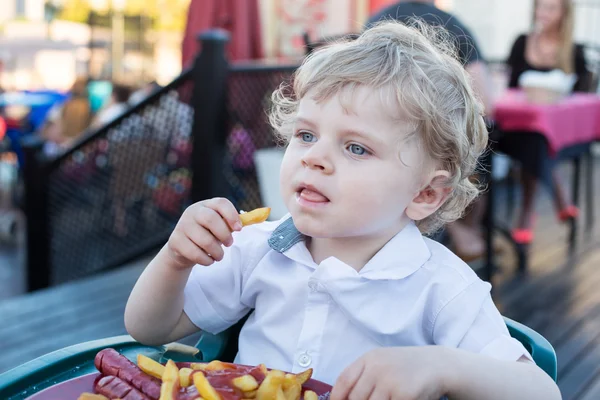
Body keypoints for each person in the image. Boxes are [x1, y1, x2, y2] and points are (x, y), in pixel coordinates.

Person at [125, 21, 560, 399]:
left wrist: (443, 366)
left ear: (425, 194)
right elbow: (150, 329)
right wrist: (176, 259)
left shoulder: (442, 289)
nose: (314, 158)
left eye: (356, 147)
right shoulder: (256, 248)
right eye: (307, 135)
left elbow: (541, 391)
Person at [367, 0, 496, 261]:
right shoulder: (454, 26)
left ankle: (455, 230)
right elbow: (486, 104)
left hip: (379, 146)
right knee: (470, 152)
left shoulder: (376, 21)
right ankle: (462, 230)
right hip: (430, 151)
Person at [503, 0, 589, 244]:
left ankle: (526, 215)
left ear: (564, 13)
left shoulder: (574, 50)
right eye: (541, 7)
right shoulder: (522, 42)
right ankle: (561, 198)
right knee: (536, 142)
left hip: (556, 134)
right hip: (515, 127)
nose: (544, 13)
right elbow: (509, 86)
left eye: (551, 8)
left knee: (538, 141)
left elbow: (579, 96)